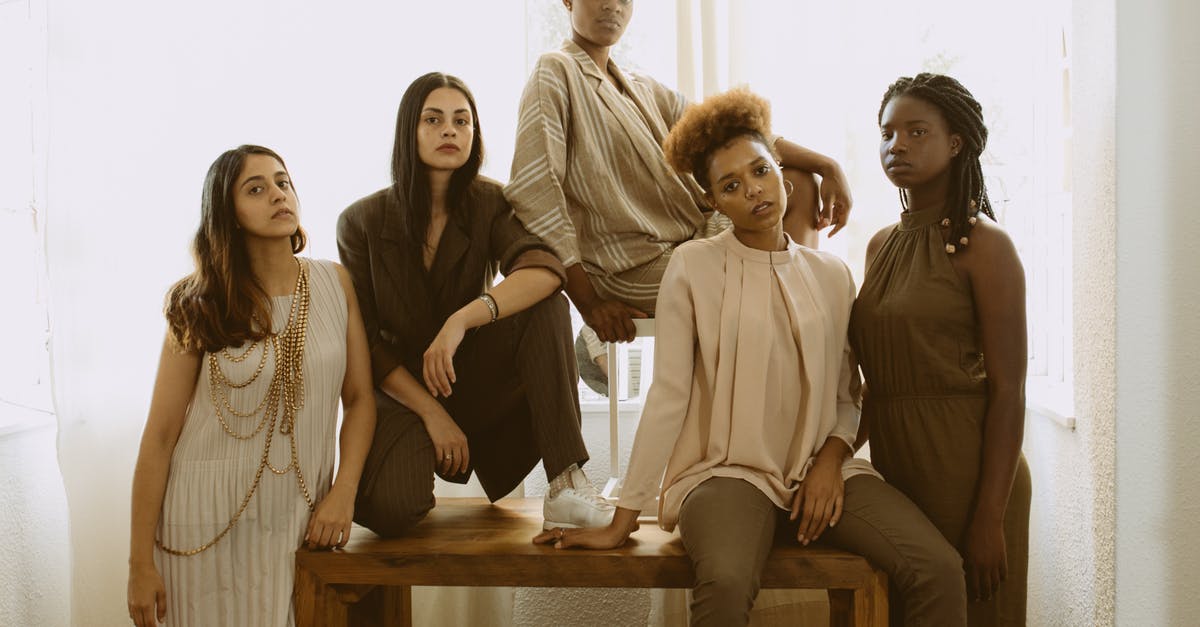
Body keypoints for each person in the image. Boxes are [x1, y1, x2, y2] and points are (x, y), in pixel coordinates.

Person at [535, 88, 967, 627]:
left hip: (821, 469)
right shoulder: (692, 266)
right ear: (714, 202)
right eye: (730, 186)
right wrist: (622, 521)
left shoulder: (831, 275)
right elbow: (669, 395)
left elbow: (844, 394)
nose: (753, 192)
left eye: (760, 171)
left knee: (938, 569)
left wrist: (831, 461)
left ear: (780, 171)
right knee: (726, 582)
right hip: (724, 474)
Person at [505, 0, 853, 381]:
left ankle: (792, 313)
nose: (611, 6)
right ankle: (796, 346)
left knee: (799, 182)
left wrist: (827, 165)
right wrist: (588, 302)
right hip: (631, 265)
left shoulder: (641, 87)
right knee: (759, 274)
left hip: (693, 237)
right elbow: (535, 188)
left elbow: (732, 134)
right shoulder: (555, 71)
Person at [337, 72, 614, 537]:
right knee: (392, 512)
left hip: (472, 380)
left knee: (546, 306)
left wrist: (460, 321)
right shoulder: (360, 222)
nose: (450, 130)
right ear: (409, 131)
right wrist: (432, 413)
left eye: (462, 121)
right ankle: (407, 458)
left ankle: (566, 482)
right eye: (434, 119)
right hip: (401, 392)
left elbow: (545, 270)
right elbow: (365, 345)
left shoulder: (490, 202)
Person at [126, 145, 376, 627]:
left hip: (295, 521)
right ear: (229, 213)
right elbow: (159, 437)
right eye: (256, 189)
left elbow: (361, 400)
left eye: (283, 182)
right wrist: (139, 564)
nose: (278, 195)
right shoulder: (196, 302)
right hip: (200, 520)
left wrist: (344, 491)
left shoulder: (334, 282)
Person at [849, 73, 1032, 625]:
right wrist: (826, 457)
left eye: (916, 131)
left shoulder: (986, 246)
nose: (896, 145)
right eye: (887, 133)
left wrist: (989, 519)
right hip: (899, 471)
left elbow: (1008, 391)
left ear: (956, 144)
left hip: (970, 473)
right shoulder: (881, 244)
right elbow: (877, 378)